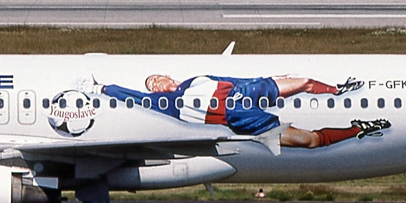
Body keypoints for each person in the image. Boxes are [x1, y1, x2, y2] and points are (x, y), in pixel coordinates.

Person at [100, 73, 389, 149]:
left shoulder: (194, 81)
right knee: (309, 142)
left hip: (244, 91)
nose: (157, 87)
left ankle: (337, 89)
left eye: (157, 80)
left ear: (167, 77)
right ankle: (359, 128)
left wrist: (259, 85)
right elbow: (133, 96)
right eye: (153, 87)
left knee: (304, 83)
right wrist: (103, 89)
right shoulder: (172, 106)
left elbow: (228, 80)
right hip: (241, 120)